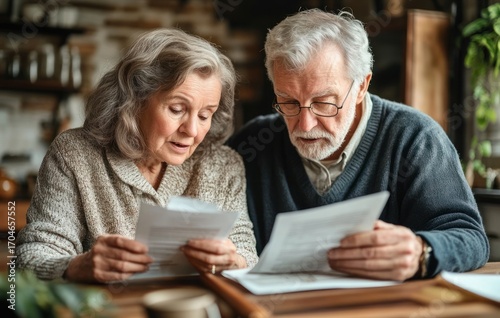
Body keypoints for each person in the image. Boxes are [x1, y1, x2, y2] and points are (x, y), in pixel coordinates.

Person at [228, 8, 489, 281]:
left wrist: (421, 251)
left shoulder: (415, 138)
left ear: (362, 86)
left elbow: (470, 238)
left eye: (324, 103)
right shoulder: (253, 145)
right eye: (289, 102)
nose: (305, 124)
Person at [16, 28, 258, 283]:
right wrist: (77, 266)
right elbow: (31, 257)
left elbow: (246, 252)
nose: (192, 131)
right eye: (177, 109)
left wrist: (234, 260)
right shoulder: (74, 154)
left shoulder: (223, 165)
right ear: (134, 101)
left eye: (205, 115)